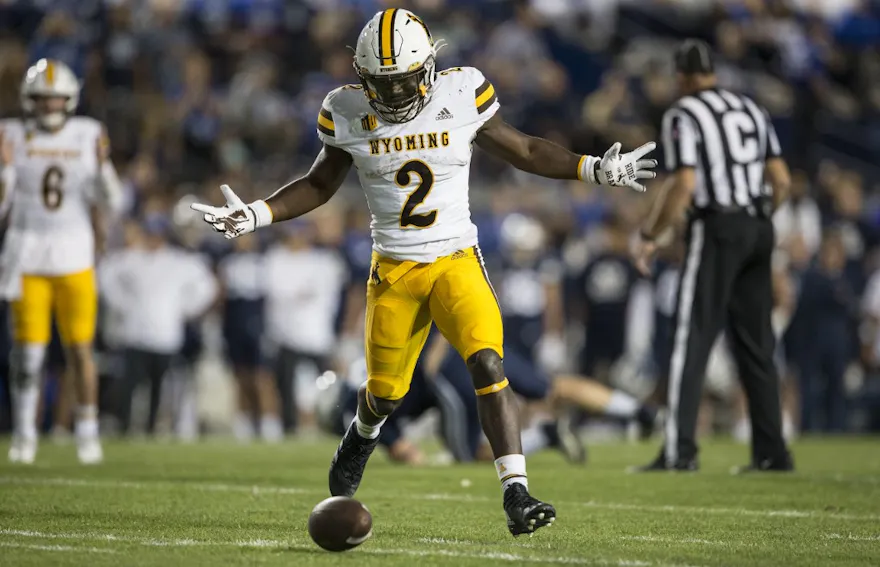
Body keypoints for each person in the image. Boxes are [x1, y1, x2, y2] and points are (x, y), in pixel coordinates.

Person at [192, 9, 657, 535]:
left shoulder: (460, 94)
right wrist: (256, 213)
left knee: (487, 363)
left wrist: (593, 167)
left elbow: (525, 149)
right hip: (393, 269)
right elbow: (320, 184)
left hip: (456, 259)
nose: (393, 96)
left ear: (429, 67)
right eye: (381, 85)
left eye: (403, 82)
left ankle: (517, 492)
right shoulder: (344, 109)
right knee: (385, 394)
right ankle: (362, 433)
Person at [631, 40, 794, 472]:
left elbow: (683, 183)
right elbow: (781, 180)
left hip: (717, 226)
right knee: (757, 343)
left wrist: (650, 233)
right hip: (759, 226)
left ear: (681, 76)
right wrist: (757, 219)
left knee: (692, 337)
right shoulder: (751, 109)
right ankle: (772, 452)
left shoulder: (683, 113)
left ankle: (678, 450)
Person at [0, 59, 123, 464]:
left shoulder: (88, 133)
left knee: (80, 348)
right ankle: (24, 434)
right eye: (42, 99)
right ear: (29, 101)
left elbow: (113, 201)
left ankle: (86, 432)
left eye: (56, 100)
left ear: (69, 100)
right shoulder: (10, 133)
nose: (50, 107)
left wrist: (103, 169)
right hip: (27, 250)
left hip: (73, 251)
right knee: (28, 352)